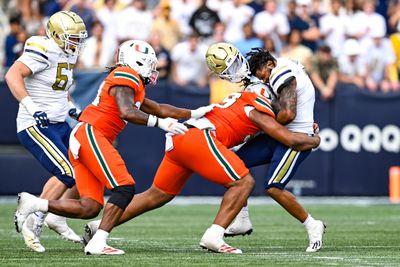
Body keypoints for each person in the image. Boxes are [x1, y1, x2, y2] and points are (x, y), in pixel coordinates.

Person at [66, 43, 320, 254]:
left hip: (181, 138)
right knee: (243, 183)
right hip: (197, 138)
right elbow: (288, 137)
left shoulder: (242, 100)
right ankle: (214, 234)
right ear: (266, 95)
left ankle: (101, 227)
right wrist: (315, 140)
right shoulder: (256, 104)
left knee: (157, 195)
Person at [14, 39, 215, 255]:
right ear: (134, 61)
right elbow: (127, 112)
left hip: (87, 135)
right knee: (124, 187)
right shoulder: (126, 75)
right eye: (148, 63)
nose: (152, 68)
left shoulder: (131, 81)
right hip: (92, 133)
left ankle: (35, 204)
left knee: (90, 207)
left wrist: (195, 113)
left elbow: (159, 108)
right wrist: (161, 124)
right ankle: (99, 242)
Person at [207, 44, 326, 253]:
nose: (262, 80)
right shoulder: (281, 68)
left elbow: (288, 114)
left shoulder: (280, 70)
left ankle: (312, 224)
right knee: (234, 166)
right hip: (279, 134)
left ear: (270, 63)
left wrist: (263, 120)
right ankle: (242, 220)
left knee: (273, 187)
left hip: (295, 138)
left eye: (261, 75)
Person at [5, 11, 87, 253]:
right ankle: (35, 219)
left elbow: (59, 87)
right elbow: (12, 75)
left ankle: (54, 216)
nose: (77, 43)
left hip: (59, 122)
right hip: (36, 124)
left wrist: (72, 108)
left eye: (79, 38)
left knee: (84, 166)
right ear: (55, 35)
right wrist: (31, 106)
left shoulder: (66, 54)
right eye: (72, 37)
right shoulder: (43, 48)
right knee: (69, 171)